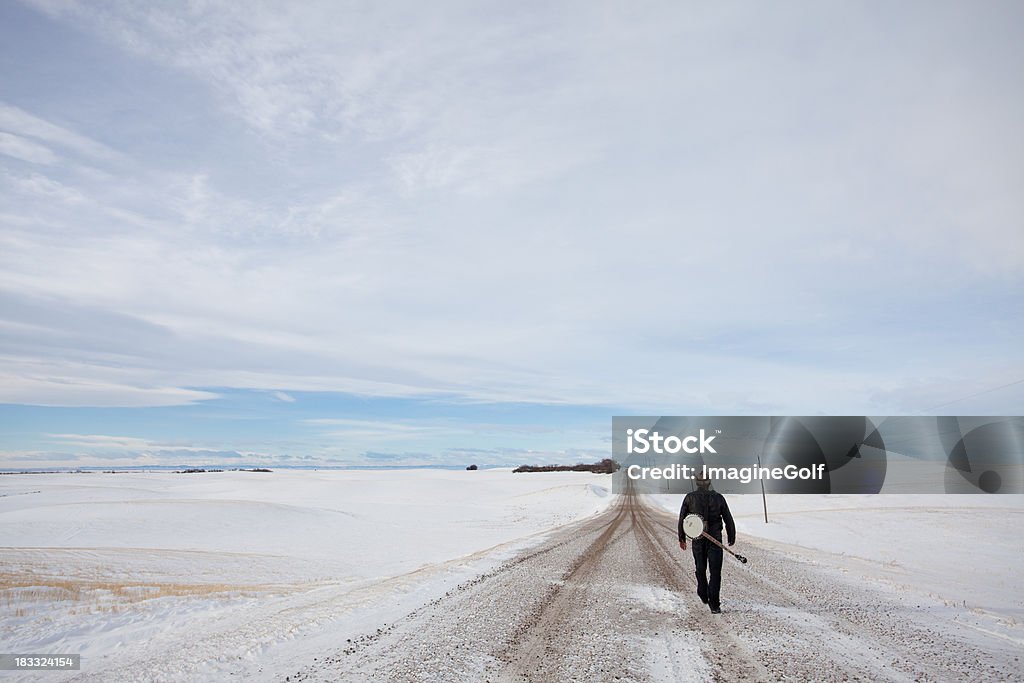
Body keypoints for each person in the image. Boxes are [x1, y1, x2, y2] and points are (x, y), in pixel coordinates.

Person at [678, 473, 736, 614]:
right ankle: (714, 604)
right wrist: (731, 535)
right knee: (715, 572)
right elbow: (728, 517)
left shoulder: (689, 497)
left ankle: (702, 592)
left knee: (700, 567)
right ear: (709, 483)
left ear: (696, 483)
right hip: (715, 539)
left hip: (698, 539)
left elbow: (683, 518)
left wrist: (682, 538)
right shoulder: (718, 498)